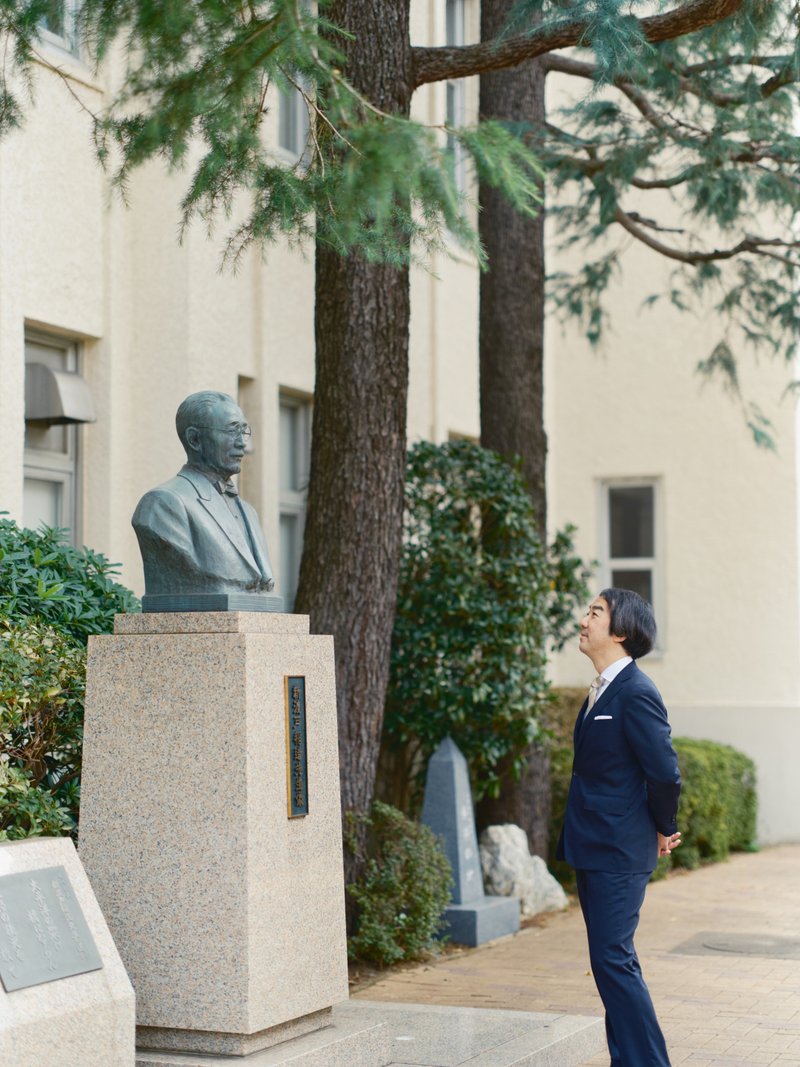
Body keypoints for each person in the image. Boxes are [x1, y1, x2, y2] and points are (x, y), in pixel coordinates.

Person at [557, 588, 681, 1066]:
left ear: (622, 631)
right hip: (594, 846)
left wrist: (663, 827)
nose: (584, 621)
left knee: (613, 960)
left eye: (596, 613)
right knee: (608, 963)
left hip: (618, 850)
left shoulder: (637, 692)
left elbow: (664, 771)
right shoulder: (601, 689)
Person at [132, 391, 275, 597]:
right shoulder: (162, 504)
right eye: (232, 430)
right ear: (195, 439)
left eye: (244, 431)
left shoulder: (249, 512)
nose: (242, 442)